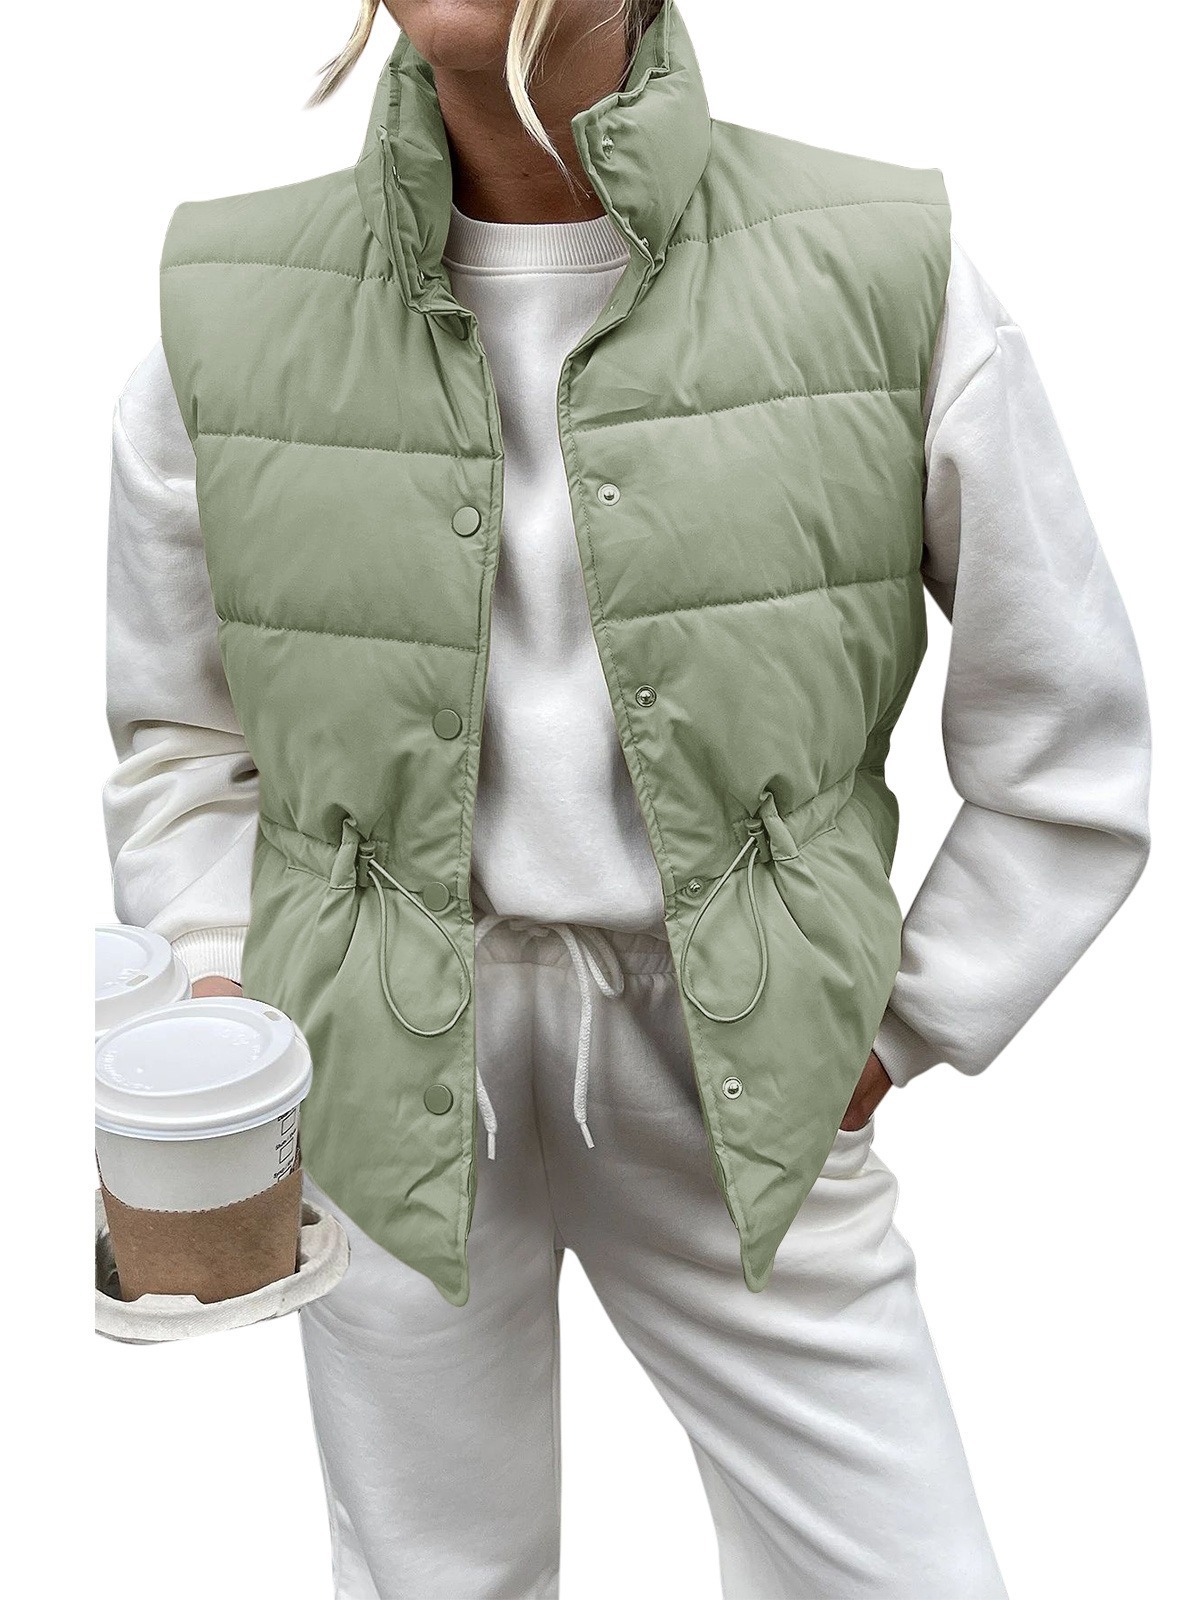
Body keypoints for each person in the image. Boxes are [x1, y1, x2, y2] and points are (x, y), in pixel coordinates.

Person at [102, 1, 1151, 1594]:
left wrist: (896, 1028)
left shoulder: (881, 268)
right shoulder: (227, 300)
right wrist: (227, 1002)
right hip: (377, 1054)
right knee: (434, 1576)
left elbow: (1067, 736)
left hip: (739, 1051)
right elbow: (181, 735)